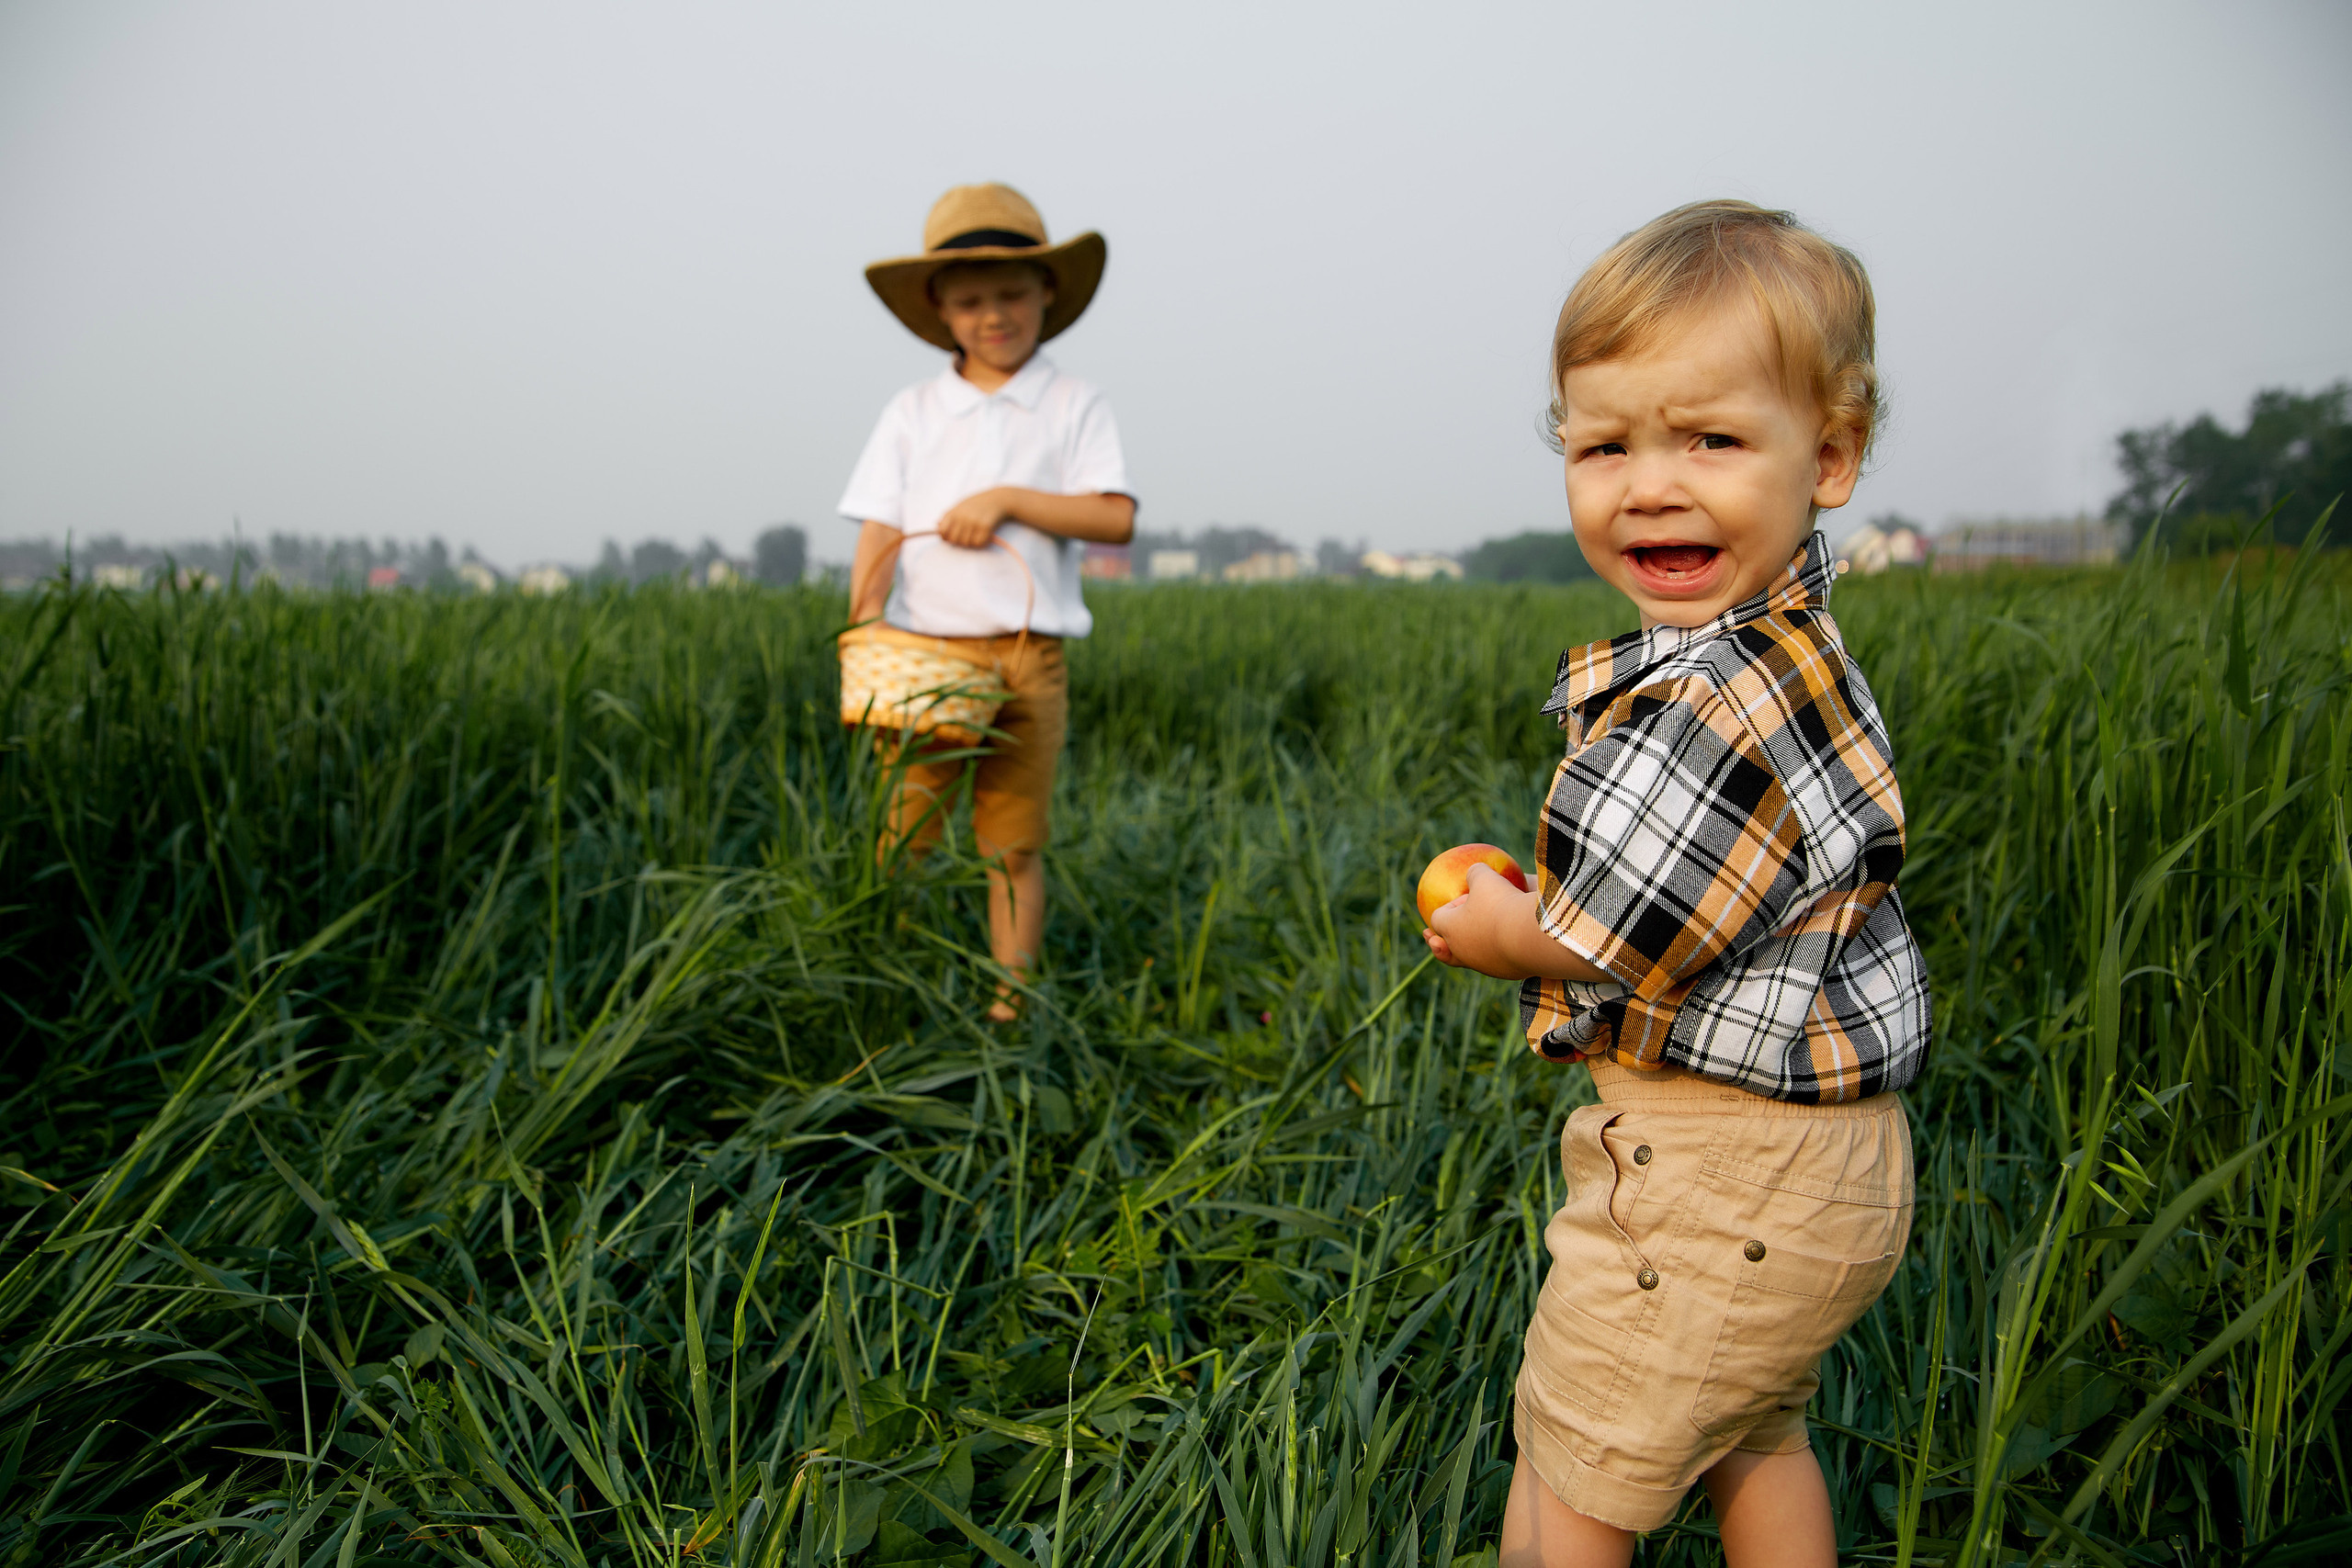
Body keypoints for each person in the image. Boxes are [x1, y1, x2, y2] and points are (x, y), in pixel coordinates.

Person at [1422, 200, 1931, 1567]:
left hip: (1721, 1166)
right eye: (1606, 444)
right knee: (1753, 1432)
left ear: (1830, 454)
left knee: (1570, 1470)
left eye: (1710, 437)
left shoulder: (1716, 695)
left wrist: (1494, 927)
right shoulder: (1795, 648)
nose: (1651, 483)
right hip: (1822, 1173)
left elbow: (1611, 933)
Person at [839, 183, 1136, 1022]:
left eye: (1011, 293)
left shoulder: (1073, 402)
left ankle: (1010, 1003)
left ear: (1048, 292)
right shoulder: (913, 411)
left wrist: (1007, 497)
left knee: (1014, 842)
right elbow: (880, 527)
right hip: (921, 656)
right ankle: (880, 979)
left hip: (1026, 654)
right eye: (969, 300)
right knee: (901, 837)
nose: (993, 314)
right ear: (939, 308)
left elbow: (1113, 514)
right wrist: (864, 621)